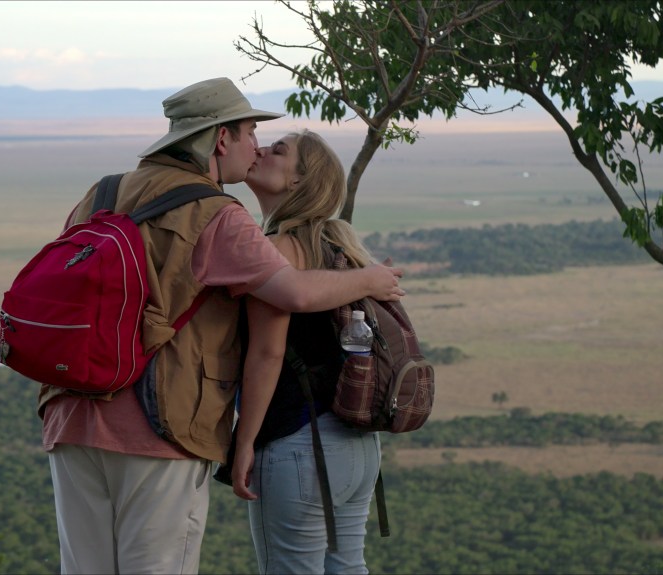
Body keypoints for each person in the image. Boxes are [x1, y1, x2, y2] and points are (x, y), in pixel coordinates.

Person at [38, 78, 404, 575]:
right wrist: (372, 277)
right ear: (220, 139)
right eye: (251, 132)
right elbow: (293, 293)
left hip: (72, 414)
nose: (255, 147)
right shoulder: (217, 215)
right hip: (159, 427)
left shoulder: (101, 192)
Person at [229, 129, 384, 574]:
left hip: (301, 446)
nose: (259, 150)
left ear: (300, 181)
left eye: (278, 151)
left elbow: (267, 354)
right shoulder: (338, 248)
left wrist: (245, 443)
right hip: (357, 446)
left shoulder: (277, 250)